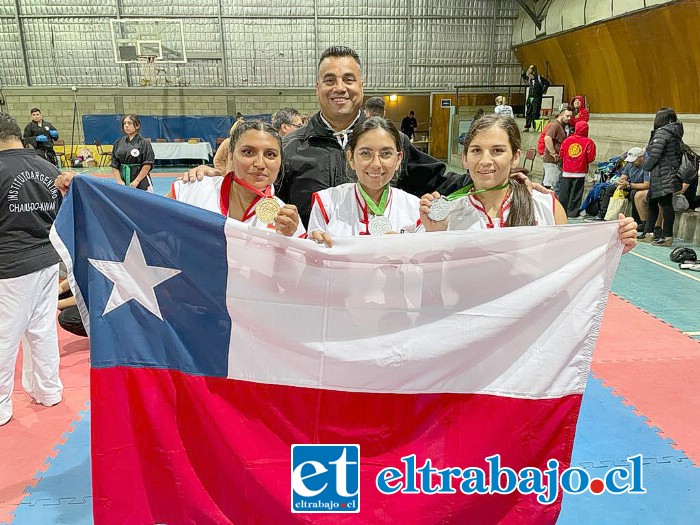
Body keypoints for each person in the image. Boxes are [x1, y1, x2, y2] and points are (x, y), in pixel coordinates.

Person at [418, 114, 637, 254]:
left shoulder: (545, 206)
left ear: (515, 157)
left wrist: (613, 245)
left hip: (528, 325)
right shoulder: (447, 214)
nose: (485, 161)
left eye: (498, 150)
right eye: (476, 150)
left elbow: (568, 260)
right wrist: (436, 236)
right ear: (464, 158)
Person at [0, 113, 65, 426]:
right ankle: (49, 390)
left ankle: (1, 406)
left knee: (4, 337)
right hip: (47, 260)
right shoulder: (47, 167)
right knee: (41, 330)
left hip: (11, 266)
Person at [168, 121, 305, 238]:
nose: (260, 164)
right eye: (248, 152)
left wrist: (285, 242)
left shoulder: (287, 220)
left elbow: (299, 267)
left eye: (270, 154)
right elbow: (151, 228)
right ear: (231, 155)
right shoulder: (192, 190)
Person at [308, 117, 420, 247]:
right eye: (365, 153)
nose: (376, 164)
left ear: (398, 159)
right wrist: (316, 246)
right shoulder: (328, 203)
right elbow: (313, 259)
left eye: (386, 153)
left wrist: (406, 249)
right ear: (351, 158)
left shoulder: (415, 209)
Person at [639, 108, 688, 246]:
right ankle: (649, 232)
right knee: (653, 202)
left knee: (666, 205)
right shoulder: (674, 133)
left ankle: (667, 236)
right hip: (664, 173)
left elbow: (654, 155)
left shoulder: (662, 133)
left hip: (663, 174)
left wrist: (646, 166)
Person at [559, 120, 596, 218]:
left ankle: (561, 212)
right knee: (576, 194)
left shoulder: (567, 140)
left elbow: (561, 153)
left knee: (564, 193)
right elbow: (591, 157)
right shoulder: (589, 142)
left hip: (566, 171)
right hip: (579, 172)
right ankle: (572, 213)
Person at [111, 114, 155, 191]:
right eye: (124, 123)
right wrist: (119, 180)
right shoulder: (118, 142)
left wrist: (136, 181)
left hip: (141, 182)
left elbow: (147, 165)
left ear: (137, 125)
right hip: (123, 181)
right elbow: (114, 164)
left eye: (129, 123)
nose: (126, 126)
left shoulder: (144, 143)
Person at [542, 106, 573, 190]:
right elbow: (547, 138)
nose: (569, 118)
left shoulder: (560, 125)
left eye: (570, 116)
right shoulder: (555, 125)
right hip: (552, 162)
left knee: (550, 186)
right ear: (561, 115)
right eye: (567, 116)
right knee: (549, 188)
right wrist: (553, 153)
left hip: (555, 162)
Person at [521, 65, 550, 132]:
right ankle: (527, 126)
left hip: (537, 98)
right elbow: (523, 75)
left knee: (535, 113)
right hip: (530, 97)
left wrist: (542, 90)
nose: (529, 70)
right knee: (528, 112)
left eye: (531, 69)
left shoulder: (539, 77)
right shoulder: (529, 78)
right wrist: (527, 69)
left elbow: (547, 83)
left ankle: (535, 127)